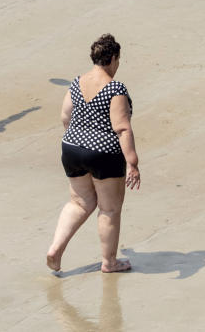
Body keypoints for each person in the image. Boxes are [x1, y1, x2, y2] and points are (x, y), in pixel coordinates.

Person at [46, 32, 140, 275]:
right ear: (113, 59)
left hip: (71, 148)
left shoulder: (77, 82)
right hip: (104, 153)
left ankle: (55, 249)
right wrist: (133, 163)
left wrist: (79, 141)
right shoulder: (114, 88)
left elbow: (65, 116)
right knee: (109, 208)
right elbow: (122, 128)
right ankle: (109, 262)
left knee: (79, 202)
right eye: (118, 61)